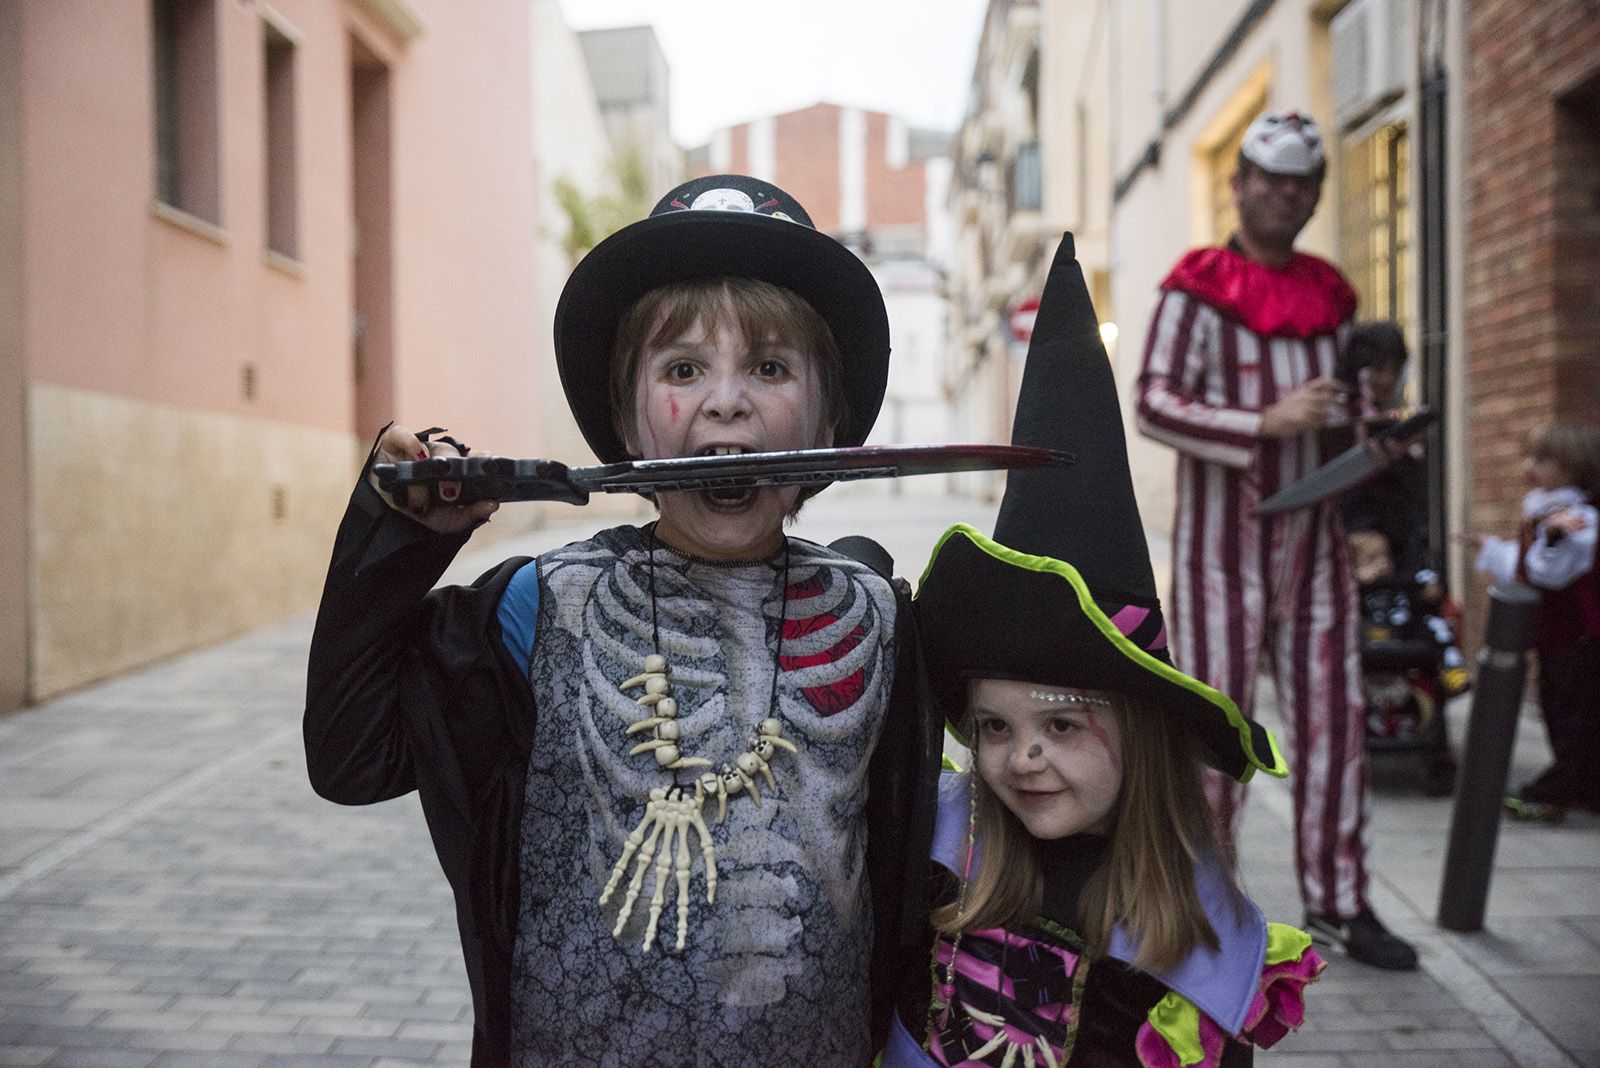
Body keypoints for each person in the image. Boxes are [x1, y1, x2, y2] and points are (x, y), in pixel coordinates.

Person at [303, 174, 942, 1066]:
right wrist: (400, 542)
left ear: (829, 420)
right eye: (683, 369)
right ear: (626, 422)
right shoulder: (538, 606)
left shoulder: (876, 617)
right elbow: (351, 757)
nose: (727, 402)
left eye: (769, 368)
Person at [884, 238, 1323, 1068]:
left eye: (1063, 724)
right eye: (994, 728)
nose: (1022, 759)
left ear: (1143, 727)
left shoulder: (1198, 939)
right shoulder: (943, 845)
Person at [1134, 111, 1418, 970]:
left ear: (1315, 195)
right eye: (1271, 178)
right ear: (1240, 182)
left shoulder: (1333, 295)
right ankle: (1207, 904)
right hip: (1220, 551)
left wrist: (1382, 435)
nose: (1286, 195)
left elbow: (1345, 417)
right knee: (1219, 729)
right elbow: (1151, 400)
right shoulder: (1196, 286)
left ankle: (1341, 901)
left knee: (1338, 726)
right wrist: (1261, 419)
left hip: (1318, 544)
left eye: (1303, 185)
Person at [1474, 421, 1600, 822]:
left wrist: (1551, 538)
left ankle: (1559, 791)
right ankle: (1579, 788)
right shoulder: (1549, 513)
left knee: (1574, 718)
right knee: (1561, 710)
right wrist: (1494, 549)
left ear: (1572, 466)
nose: (1531, 466)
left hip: (1580, 635)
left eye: (1542, 459)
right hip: (1557, 635)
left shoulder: (1577, 517)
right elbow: (1528, 566)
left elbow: (1549, 573)